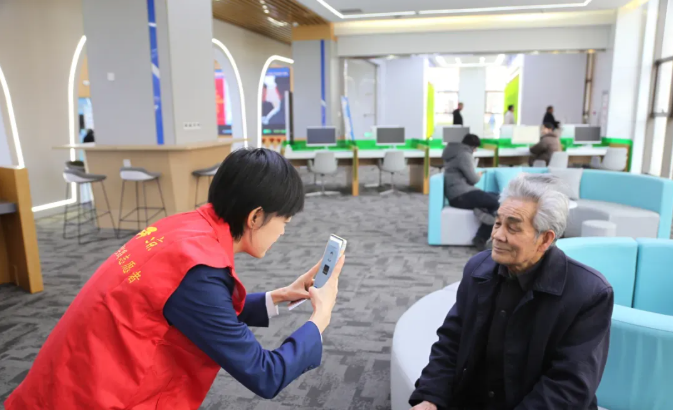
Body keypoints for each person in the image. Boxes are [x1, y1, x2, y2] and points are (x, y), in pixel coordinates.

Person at [5, 148, 345, 409]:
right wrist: (320, 317)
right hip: (91, 397)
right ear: (256, 217)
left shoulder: (184, 228)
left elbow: (197, 311)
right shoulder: (198, 274)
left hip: (67, 380)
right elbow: (266, 374)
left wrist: (279, 296)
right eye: (284, 222)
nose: (283, 232)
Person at [410, 173, 614, 410]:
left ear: (545, 239)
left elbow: (568, 385)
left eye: (513, 228)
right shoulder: (478, 269)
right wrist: (431, 397)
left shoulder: (589, 294)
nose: (497, 235)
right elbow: (452, 340)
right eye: (497, 223)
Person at [442, 133, 498, 251]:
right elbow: (473, 179)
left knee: (496, 196)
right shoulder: (464, 155)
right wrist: (478, 175)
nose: (475, 151)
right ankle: (481, 237)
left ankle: (481, 212)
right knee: (497, 203)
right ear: (472, 146)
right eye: (476, 148)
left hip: (457, 194)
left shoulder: (454, 152)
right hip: (461, 195)